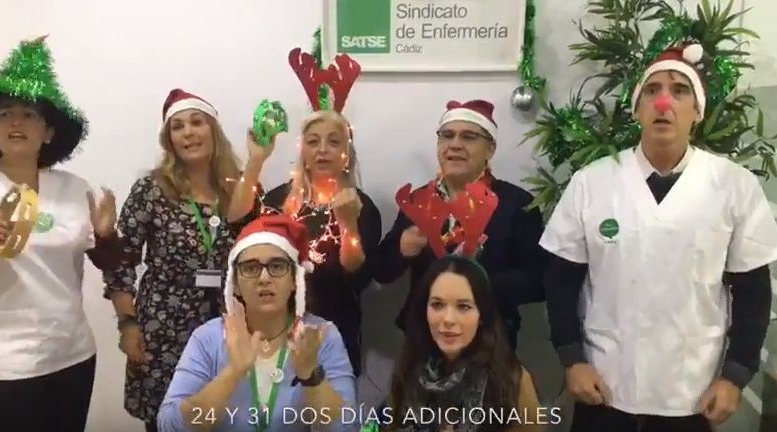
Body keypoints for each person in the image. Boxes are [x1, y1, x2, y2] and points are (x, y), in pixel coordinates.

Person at [540, 43, 777, 432]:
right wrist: (572, 358)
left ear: (698, 112)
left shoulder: (734, 186)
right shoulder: (592, 183)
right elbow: (561, 281)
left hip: (691, 390)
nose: (664, 102)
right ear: (637, 109)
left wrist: (735, 374)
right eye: (652, 90)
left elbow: (753, 292)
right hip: (604, 383)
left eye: (680, 91)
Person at [0, 36, 119, 432]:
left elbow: (110, 264)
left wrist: (106, 237)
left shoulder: (74, 189)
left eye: (29, 114)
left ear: (48, 132)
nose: (16, 122)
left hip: (71, 357)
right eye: (5, 114)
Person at [102, 88, 272, 431]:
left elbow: (246, 231)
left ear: (213, 130)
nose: (188, 133)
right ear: (169, 140)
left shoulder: (238, 188)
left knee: (225, 414)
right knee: (169, 419)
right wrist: (128, 324)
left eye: (197, 122)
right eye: (177, 127)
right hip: (163, 328)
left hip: (227, 325)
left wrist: (256, 161)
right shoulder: (151, 189)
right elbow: (121, 263)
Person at [157, 214, 357, 431]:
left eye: (277, 266)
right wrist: (233, 372)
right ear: (235, 284)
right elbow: (169, 426)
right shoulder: (208, 338)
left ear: (295, 281)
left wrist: (312, 375)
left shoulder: (319, 335)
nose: (264, 278)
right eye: (251, 268)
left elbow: (348, 426)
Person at [376, 99, 546, 351]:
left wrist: (475, 286)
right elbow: (381, 271)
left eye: (468, 137)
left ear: (490, 149)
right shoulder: (418, 201)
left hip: (492, 339)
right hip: (425, 339)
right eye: (447, 136)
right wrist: (401, 249)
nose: (455, 144)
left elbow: (538, 280)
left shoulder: (516, 203)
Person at [262, 48, 380, 376]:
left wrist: (348, 225)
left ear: (347, 153)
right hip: (278, 330)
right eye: (313, 141)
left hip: (336, 332)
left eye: (334, 142)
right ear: (303, 150)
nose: (323, 150)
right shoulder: (276, 200)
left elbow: (357, 278)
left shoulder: (362, 206)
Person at [385, 255, 546, 432]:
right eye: (437, 305)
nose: (448, 319)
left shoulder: (510, 380)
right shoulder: (409, 369)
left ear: (481, 315)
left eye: (463, 307)